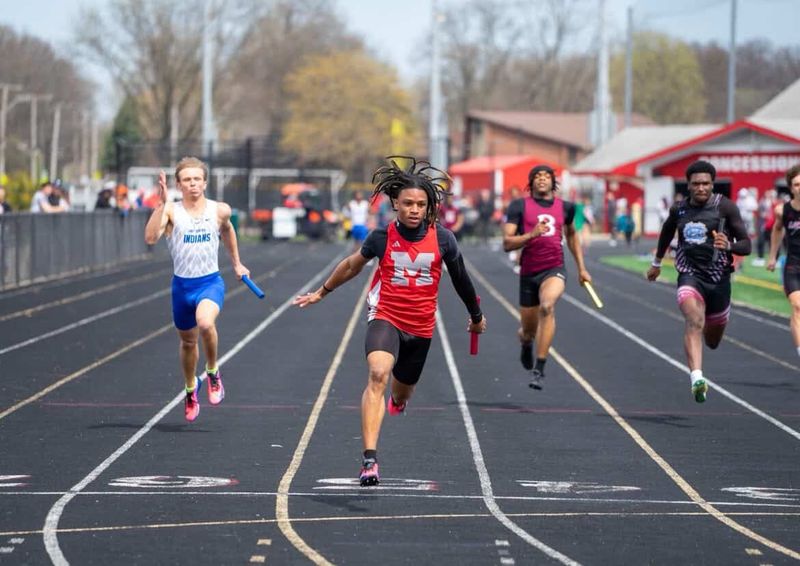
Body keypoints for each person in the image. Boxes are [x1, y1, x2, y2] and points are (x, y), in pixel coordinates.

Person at [293, 156, 486, 486]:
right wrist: (322, 292)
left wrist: (476, 316)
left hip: (421, 326)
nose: (414, 210)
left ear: (429, 207)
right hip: (385, 315)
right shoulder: (381, 237)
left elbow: (461, 279)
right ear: (396, 202)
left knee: (402, 391)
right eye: (408, 203)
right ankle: (369, 460)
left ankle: (399, 400)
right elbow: (351, 266)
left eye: (421, 205)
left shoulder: (443, 239)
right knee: (378, 373)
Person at [144, 156, 250, 422]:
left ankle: (212, 371)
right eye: (187, 180)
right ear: (178, 185)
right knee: (188, 343)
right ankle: (191, 388)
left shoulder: (220, 210)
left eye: (197, 179)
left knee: (205, 323)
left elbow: (228, 230)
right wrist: (160, 205)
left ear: (204, 183)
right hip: (182, 288)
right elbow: (150, 238)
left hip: (209, 283)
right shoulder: (171, 211)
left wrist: (237, 264)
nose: (192, 184)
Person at [647, 160, 751, 403]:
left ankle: (707, 328)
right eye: (696, 184)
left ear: (712, 184)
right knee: (694, 320)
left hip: (719, 279)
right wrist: (657, 263)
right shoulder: (679, 209)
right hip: (689, 274)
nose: (701, 188)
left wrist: (729, 245)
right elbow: (666, 232)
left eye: (705, 183)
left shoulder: (725, 207)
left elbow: (747, 245)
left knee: (712, 341)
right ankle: (697, 378)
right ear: (689, 185)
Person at [502, 164, 591, 390]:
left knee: (547, 306)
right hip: (528, 272)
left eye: (546, 176)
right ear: (531, 182)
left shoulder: (567, 208)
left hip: (554, 268)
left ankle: (539, 369)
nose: (542, 179)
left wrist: (582, 268)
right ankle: (526, 342)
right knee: (528, 331)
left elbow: (572, 237)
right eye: (537, 176)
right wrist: (532, 234)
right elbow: (507, 243)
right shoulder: (519, 206)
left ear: (553, 182)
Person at [767, 165, 800, 357]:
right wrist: (773, 256)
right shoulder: (782, 210)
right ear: (791, 188)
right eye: (797, 184)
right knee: (797, 306)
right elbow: (777, 230)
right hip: (793, 265)